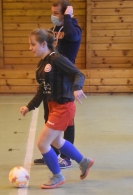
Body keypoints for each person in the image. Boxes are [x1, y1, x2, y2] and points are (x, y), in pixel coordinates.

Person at [20, 28, 93, 189]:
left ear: (44, 44)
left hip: (63, 107)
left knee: (42, 144)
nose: (30, 48)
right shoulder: (42, 64)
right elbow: (42, 89)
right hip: (54, 107)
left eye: (33, 44)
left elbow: (78, 74)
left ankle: (57, 176)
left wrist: (77, 87)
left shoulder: (57, 59)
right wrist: (29, 106)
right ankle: (84, 162)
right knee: (57, 141)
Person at [33, 0, 82, 169]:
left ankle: (67, 158)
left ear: (66, 13)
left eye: (57, 13)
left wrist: (68, 17)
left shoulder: (73, 28)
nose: (53, 16)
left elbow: (73, 37)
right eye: (52, 12)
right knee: (49, 114)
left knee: (67, 120)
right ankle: (51, 154)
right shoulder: (56, 28)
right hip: (52, 76)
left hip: (66, 77)